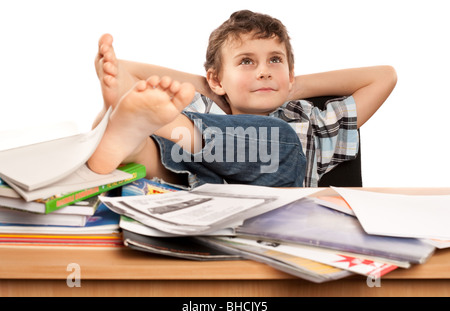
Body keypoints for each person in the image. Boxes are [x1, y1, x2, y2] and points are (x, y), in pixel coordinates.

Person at [87, 10, 397, 188]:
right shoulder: (203, 107)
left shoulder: (311, 122)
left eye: (275, 60)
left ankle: (160, 131)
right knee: (162, 147)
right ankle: (129, 145)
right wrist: (212, 88)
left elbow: (384, 77)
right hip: (202, 213)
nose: (264, 72)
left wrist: (290, 85)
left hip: (277, 223)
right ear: (216, 79)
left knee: (281, 139)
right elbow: (125, 72)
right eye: (247, 62)